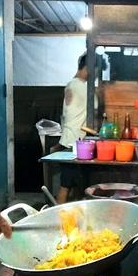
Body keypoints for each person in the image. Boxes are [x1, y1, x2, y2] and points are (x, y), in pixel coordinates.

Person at [55, 53, 89, 204]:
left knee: (73, 186)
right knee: (66, 186)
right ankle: (58, 222)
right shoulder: (79, 86)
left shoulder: (72, 84)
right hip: (73, 144)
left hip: (72, 141)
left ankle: (72, 219)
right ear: (87, 67)